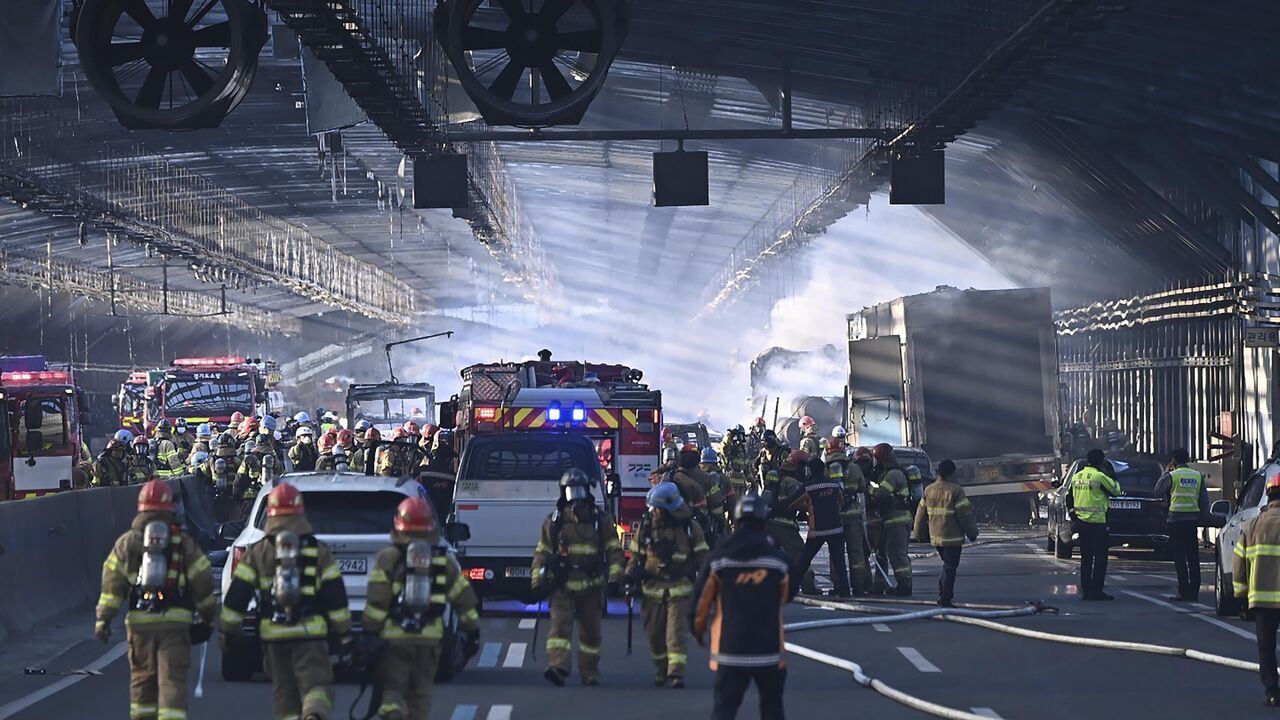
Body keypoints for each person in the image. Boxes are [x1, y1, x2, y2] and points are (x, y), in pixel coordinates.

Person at [221, 484, 353, 720]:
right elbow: (335, 597)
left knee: (284, 696)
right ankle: (313, 713)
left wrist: (227, 632)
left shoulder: (258, 552)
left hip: (273, 637)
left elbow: (238, 596)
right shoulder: (318, 551)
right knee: (317, 687)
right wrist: (345, 634)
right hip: (311, 635)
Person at [95, 480, 216, 720]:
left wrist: (103, 622)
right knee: (172, 682)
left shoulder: (127, 543)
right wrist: (208, 617)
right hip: (176, 623)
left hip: (140, 623)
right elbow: (202, 581)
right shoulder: (183, 542)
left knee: (142, 683)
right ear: (171, 507)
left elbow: (112, 588)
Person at [363, 497, 481, 719]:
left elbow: (377, 601)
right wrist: (472, 633)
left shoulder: (388, 558)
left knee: (392, 690)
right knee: (419, 696)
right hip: (430, 640)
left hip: (395, 640)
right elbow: (464, 600)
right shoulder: (442, 560)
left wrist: (370, 633)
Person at [692, 492, 795, 720]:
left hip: (730, 651)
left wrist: (697, 631)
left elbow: (701, 602)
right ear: (763, 521)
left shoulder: (718, 560)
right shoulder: (778, 561)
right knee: (772, 708)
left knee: (724, 709)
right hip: (769, 651)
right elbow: (787, 595)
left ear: (736, 521)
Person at [531, 469, 624, 687]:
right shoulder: (553, 522)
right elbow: (542, 553)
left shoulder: (600, 521)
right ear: (563, 493)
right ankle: (558, 667)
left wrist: (615, 579)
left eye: (580, 490)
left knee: (590, 633)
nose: (576, 496)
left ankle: (589, 671)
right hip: (562, 585)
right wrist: (537, 581)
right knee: (559, 628)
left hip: (592, 586)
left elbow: (614, 551)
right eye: (572, 491)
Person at [624, 481, 709, 688]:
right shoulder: (646, 527)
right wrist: (628, 578)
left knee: (676, 632)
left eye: (656, 509)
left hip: (680, 589)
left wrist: (706, 587)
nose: (652, 512)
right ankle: (662, 669)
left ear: (668, 508)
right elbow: (635, 557)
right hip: (652, 590)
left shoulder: (690, 528)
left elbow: (703, 558)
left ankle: (676, 673)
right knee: (654, 634)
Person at [1233, 472, 1280, 706]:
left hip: (1262, 601)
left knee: (1266, 648)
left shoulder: (1253, 525)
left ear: (1268, 494)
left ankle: (1272, 691)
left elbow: (1239, 563)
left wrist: (1241, 597)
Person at [913, 460, 979, 607]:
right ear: (952, 473)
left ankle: (943, 592)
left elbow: (920, 514)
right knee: (950, 567)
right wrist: (972, 533)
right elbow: (965, 515)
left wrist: (917, 533)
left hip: (936, 538)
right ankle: (945, 597)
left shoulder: (929, 490)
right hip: (953, 538)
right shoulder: (956, 491)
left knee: (947, 565)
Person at [1066, 448, 1123, 601]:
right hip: (1098, 524)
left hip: (1082, 523)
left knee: (1086, 559)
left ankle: (1086, 591)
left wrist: (1073, 516)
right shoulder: (1100, 476)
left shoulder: (1077, 476)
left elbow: (1069, 498)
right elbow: (1116, 491)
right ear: (1102, 461)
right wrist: (1114, 476)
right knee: (1100, 558)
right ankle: (1096, 591)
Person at [1154, 448, 1209, 601]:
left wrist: (1166, 471)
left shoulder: (1172, 475)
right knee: (1193, 557)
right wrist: (1199, 515)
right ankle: (1194, 592)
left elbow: (1157, 491)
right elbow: (1204, 501)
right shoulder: (1197, 476)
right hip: (1192, 522)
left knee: (1179, 557)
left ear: (1174, 461)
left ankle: (1183, 591)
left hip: (1175, 521)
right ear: (1188, 459)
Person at [796, 454, 850, 597]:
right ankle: (845, 589)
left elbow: (794, 502)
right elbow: (842, 502)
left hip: (817, 531)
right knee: (839, 561)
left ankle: (791, 587)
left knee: (805, 559)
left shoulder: (809, 486)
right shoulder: (834, 484)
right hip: (836, 527)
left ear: (810, 471)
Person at [869, 444, 912, 595]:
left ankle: (904, 585)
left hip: (897, 520)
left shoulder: (893, 474)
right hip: (893, 520)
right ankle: (880, 585)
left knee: (896, 553)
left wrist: (868, 488)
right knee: (883, 553)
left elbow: (881, 494)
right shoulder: (890, 472)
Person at [830, 441, 869, 595]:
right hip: (853, 516)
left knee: (836, 553)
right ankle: (858, 586)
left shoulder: (827, 469)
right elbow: (863, 487)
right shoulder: (854, 468)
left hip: (835, 517)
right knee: (856, 552)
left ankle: (838, 585)